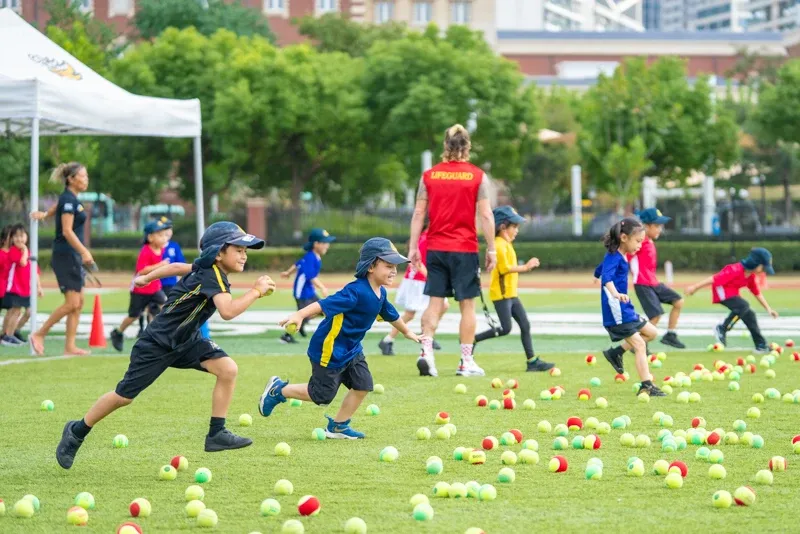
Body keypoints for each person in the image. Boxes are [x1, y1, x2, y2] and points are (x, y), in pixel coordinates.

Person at [55, 222, 275, 469]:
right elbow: (228, 311)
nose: (244, 255)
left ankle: (216, 433)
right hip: (157, 344)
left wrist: (147, 277)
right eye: (239, 250)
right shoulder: (212, 274)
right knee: (123, 397)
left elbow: (175, 267)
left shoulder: (206, 268)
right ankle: (76, 431)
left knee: (228, 369)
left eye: (245, 251)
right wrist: (256, 291)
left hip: (186, 341)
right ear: (218, 253)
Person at [259, 238, 420, 439]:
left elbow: (390, 314)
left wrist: (407, 332)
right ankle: (278, 390)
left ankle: (338, 426)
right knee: (322, 395)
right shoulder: (355, 291)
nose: (394, 271)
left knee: (363, 385)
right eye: (388, 266)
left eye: (395, 266)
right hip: (330, 349)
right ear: (371, 266)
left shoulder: (381, 293)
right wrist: (299, 315)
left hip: (352, 349)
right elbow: (324, 304)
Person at [408, 124, 496, 378]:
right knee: (467, 306)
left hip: (436, 247)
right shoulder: (477, 176)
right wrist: (492, 249)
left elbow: (418, 213)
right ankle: (466, 361)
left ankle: (426, 353)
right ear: (468, 146)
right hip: (464, 248)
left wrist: (413, 247)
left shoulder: (429, 176)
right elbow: (486, 215)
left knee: (434, 303)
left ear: (445, 146)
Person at [473, 207, 555, 372]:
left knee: (525, 324)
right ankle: (472, 339)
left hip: (510, 294)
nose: (517, 230)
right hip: (502, 295)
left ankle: (532, 362)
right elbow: (504, 269)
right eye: (514, 227)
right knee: (506, 328)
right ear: (503, 227)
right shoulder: (498, 244)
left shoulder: (506, 244)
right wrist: (526, 267)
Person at [29, 162, 93, 356]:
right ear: (71, 179)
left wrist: (44, 214)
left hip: (72, 255)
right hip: (66, 255)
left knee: (79, 302)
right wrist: (84, 251)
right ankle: (39, 334)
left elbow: (58, 206)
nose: (86, 179)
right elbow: (66, 231)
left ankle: (70, 347)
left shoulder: (69, 199)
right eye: (83, 176)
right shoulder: (68, 199)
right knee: (72, 302)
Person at [597, 218, 665, 397]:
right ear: (624, 238)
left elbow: (601, 270)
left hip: (625, 308)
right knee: (640, 344)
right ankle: (647, 385)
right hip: (616, 312)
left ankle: (616, 353)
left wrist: (598, 273)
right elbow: (606, 278)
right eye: (638, 241)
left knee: (652, 333)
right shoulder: (614, 256)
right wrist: (615, 293)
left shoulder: (619, 255)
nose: (640, 246)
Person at [686, 247, 777, 353]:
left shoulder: (751, 276)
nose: (764, 272)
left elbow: (757, 293)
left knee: (749, 314)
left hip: (732, 293)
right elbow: (714, 279)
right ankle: (722, 328)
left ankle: (760, 345)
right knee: (743, 306)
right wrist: (695, 287)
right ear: (755, 263)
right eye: (763, 268)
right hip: (721, 290)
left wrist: (768, 309)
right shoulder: (735, 270)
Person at [378, 222, 446, 356]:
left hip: (420, 280)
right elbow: (417, 263)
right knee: (411, 313)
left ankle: (426, 334)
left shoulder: (429, 237)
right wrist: (431, 278)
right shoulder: (425, 238)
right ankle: (389, 340)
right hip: (417, 281)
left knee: (442, 305)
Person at [110, 220, 171, 353]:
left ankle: (164, 334)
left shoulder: (161, 249)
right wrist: (160, 265)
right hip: (140, 290)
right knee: (134, 315)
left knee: (166, 305)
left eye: (165, 235)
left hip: (155, 288)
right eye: (160, 235)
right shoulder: (146, 251)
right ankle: (118, 332)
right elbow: (142, 271)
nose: (164, 238)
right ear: (150, 237)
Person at [629, 208, 686, 349]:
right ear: (646, 226)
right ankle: (638, 345)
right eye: (657, 226)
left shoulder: (649, 241)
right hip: (642, 283)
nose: (660, 229)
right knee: (655, 316)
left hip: (653, 283)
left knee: (678, 301)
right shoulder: (639, 241)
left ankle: (670, 335)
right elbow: (625, 256)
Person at [279, 228, 335, 344]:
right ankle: (286, 336)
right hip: (302, 293)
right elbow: (311, 276)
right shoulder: (311, 257)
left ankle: (302, 324)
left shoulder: (313, 256)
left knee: (321, 310)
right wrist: (322, 287)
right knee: (303, 313)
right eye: (324, 243)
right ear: (316, 244)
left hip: (309, 291)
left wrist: (288, 273)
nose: (327, 245)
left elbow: (297, 264)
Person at [139, 217, 185, 336]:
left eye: (169, 228)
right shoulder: (152, 247)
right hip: (156, 284)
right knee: (152, 309)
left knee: (169, 307)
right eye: (163, 230)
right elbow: (143, 267)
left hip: (170, 284)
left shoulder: (174, 246)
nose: (167, 232)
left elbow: (181, 265)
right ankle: (148, 330)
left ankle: (169, 330)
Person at [2, 224, 43, 345]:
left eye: (21, 236)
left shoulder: (28, 252)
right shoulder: (14, 251)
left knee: (29, 311)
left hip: (26, 289)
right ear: (12, 239)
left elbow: (35, 271)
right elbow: (23, 262)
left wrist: (39, 286)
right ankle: (7, 336)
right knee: (15, 311)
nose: (19, 239)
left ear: (26, 237)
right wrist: (24, 250)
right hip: (15, 287)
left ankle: (13, 332)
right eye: (16, 236)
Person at [0, 224, 18, 346]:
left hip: (9, 287)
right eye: (11, 236)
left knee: (13, 310)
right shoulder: (2, 253)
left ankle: (5, 335)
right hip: (2, 286)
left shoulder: (14, 252)